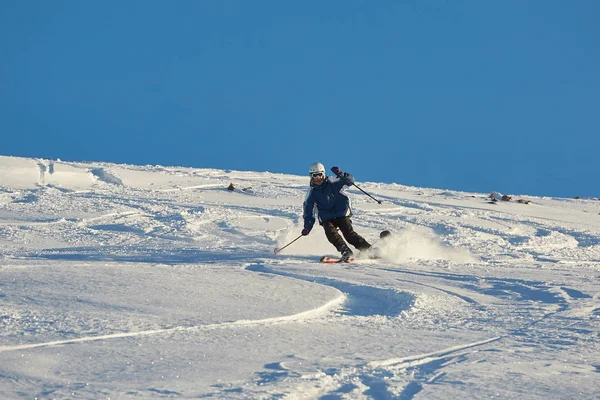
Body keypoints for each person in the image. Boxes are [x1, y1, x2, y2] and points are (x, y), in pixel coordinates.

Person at [301, 162, 371, 261]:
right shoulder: (311, 192)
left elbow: (350, 182)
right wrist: (307, 227)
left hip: (341, 213)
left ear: (323, 174)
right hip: (326, 218)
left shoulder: (332, 182)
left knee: (348, 233)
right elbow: (308, 211)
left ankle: (367, 249)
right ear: (311, 176)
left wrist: (341, 174)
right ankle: (345, 251)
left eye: (320, 175)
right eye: (314, 175)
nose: (318, 178)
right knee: (330, 232)